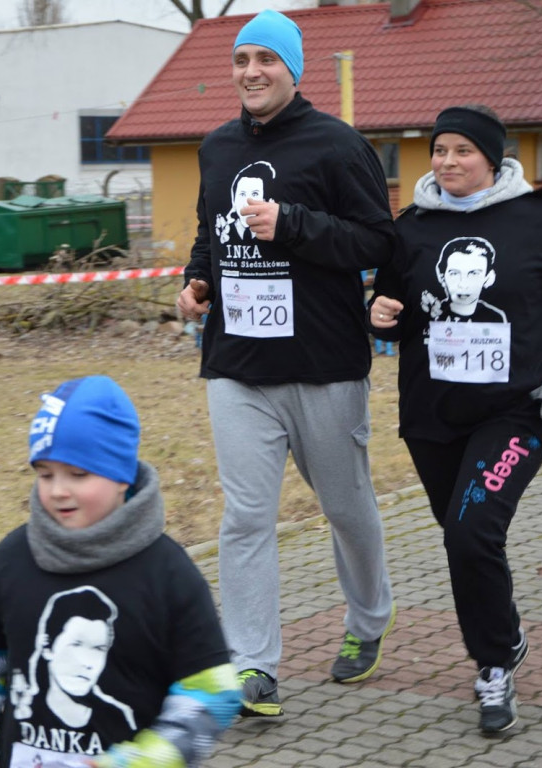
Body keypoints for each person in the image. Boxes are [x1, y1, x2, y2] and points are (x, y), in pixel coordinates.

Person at [175, 9, 397, 718]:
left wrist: (293, 225)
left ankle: (368, 618)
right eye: (241, 59)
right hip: (238, 367)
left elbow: (378, 243)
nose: (250, 72)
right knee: (244, 517)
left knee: (345, 506)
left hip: (324, 365)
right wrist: (198, 279)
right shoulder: (215, 148)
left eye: (265, 59)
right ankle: (251, 667)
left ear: (293, 68)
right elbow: (211, 234)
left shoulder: (337, 146)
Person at [368, 104, 542, 734]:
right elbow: (392, 299)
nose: (447, 162)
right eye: (439, 151)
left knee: (471, 533)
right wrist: (380, 313)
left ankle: (493, 666)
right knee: (464, 536)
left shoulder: (538, 220)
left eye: (462, 152)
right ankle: (505, 633)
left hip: (516, 412)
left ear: (492, 158)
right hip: (431, 415)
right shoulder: (413, 226)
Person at [0, 375, 240, 768]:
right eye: (45, 473)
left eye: (78, 474)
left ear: (122, 478)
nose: (59, 490)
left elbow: (212, 690)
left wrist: (142, 761)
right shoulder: (14, 557)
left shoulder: (167, 572)